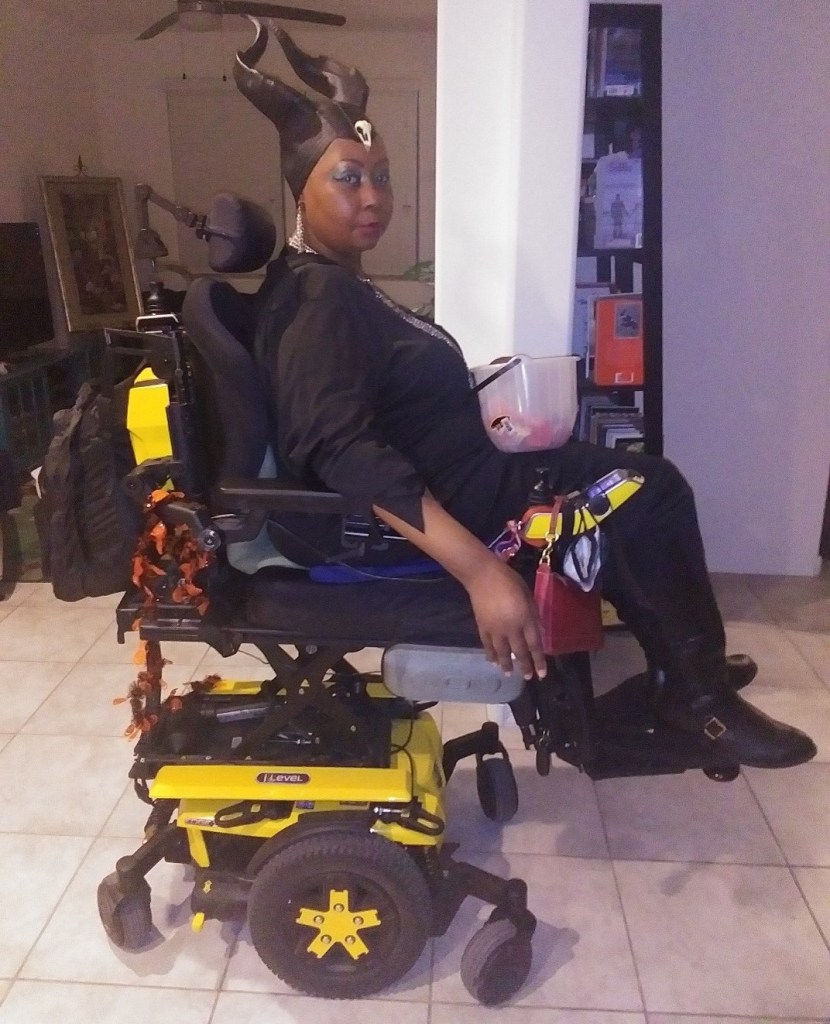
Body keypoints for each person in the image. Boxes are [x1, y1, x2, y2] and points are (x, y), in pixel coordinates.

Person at [234, 22, 815, 770]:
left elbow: (385, 399)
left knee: (639, 482)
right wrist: (481, 572)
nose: (373, 197)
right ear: (301, 189)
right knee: (652, 492)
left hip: (475, 472)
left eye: (381, 175)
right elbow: (340, 448)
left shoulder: (336, 281)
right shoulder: (317, 300)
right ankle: (696, 700)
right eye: (348, 178)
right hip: (449, 507)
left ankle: (683, 663)